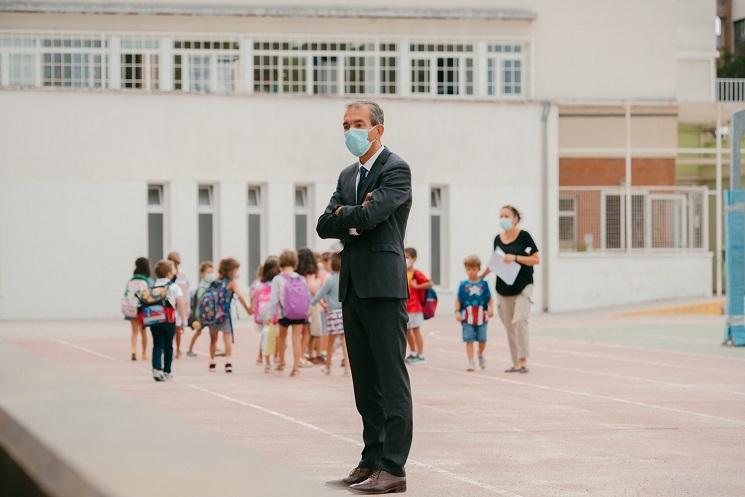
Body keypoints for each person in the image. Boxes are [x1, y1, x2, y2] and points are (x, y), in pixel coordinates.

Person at [317, 100, 412, 494]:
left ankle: (393, 468)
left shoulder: (396, 169)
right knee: (365, 382)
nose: (350, 131)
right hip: (353, 287)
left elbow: (373, 217)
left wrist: (349, 217)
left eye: (358, 123)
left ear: (378, 129)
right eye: (345, 124)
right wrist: (353, 216)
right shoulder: (347, 175)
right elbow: (324, 225)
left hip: (384, 288)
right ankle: (370, 459)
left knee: (391, 380)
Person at [480, 205, 540, 374]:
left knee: (519, 320)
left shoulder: (525, 236)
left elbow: (536, 259)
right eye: (501, 216)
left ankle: (523, 360)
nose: (503, 219)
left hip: (523, 286)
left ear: (515, 218)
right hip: (503, 288)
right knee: (509, 325)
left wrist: (515, 257)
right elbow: (494, 262)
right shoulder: (497, 239)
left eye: (506, 216)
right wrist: (480, 277)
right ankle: (516, 362)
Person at [267, 250, 311, 377]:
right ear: (294, 262)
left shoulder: (278, 279)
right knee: (296, 338)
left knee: (282, 337)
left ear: (280, 262)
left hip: (284, 313)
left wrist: (270, 315)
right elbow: (307, 297)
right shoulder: (301, 278)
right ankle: (296, 367)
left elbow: (274, 299)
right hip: (300, 313)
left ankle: (281, 362)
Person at [207, 257, 253, 373]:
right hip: (225, 315)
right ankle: (228, 362)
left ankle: (212, 361)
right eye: (236, 270)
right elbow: (240, 296)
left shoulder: (215, 282)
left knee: (213, 339)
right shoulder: (231, 283)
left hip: (212, 314)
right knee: (227, 337)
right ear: (231, 271)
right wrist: (247, 308)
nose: (237, 273)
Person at [147, 259, 187, 382]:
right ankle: (167, 370)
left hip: (154, 319)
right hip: (169, 320)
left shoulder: (153, 286)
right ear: (169, 274)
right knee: (168, 346)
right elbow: (181, 303)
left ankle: (156, 369)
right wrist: (183, 320)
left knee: (157, 344)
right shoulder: (174, 286)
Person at [310, 252, 348, 376]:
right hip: (344, 312)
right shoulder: (346, 277)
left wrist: (312, 303)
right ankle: (347, 368)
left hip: (332, 313)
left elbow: (320, 294)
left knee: (330, 342)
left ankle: (328, 367)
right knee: (344, 342)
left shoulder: (330, 279)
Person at [455, 255, 494, 371]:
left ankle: (480, 354)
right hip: (467, 317)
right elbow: (458, 300)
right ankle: (471, 361)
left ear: (478, 269)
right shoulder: (463, 285)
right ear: (465, 269)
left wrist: (491, 308)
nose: (471, 272)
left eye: (474, 269)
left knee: (482, 339)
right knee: (469, 339)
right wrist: (457, 312)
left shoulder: (483, 284)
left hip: (482, 316)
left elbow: (489, 298)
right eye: (468, 269)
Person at [250, 256, 280, 373]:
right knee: (277, 336)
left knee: (265, 336)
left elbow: (252, 296)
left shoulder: (259, 284)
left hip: (263, 314)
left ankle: (267, 362)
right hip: (275, 314)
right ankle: (277, 357)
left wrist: (252, 307)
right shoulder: (277, 282)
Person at [403, 247, 432, 365]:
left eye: (407, 257)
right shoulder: (402, 272)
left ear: (413, 259)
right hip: (405, 307)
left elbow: (429, 283)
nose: (405, 260)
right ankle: (413, 352)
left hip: (415, 307)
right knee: (407, 330)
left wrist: (417, 286)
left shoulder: (416, 273)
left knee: (416, 330)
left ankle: (420, 354)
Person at [297, 248, 324, 365]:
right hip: (310, 304)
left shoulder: (297, 271)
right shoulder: (311, 271)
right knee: (307, 332)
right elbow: (312, 288)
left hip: (298, 303)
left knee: (298, 332)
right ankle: (301, 356)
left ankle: (298, 356)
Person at [121, 257, 151, 361]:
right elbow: (147, 295)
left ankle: (133, 350)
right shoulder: (145, 281)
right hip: (141, 309)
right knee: (143, 332)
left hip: (131, 308)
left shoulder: (131, 281)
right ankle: (144, 353)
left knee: (134, 332)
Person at [186, 261, 215, 358]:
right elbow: (199, 302)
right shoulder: (202, 286)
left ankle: (214, 347)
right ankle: (190, 349)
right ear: (202, 273)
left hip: (211, 313)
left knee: (213, 331)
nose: (211, 275)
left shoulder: (213, 285)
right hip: (202, 314)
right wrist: (198, 316)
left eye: (212, 272)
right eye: (208, 272)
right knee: (198, 331)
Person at [167, 251, 190, 359]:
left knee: (177, 328)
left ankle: (177, 349)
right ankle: (175, 349)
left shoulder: (181, 273)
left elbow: (185, 289)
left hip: (177, 303)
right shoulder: (169, 272)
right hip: (175, 303)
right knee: (175, 329)